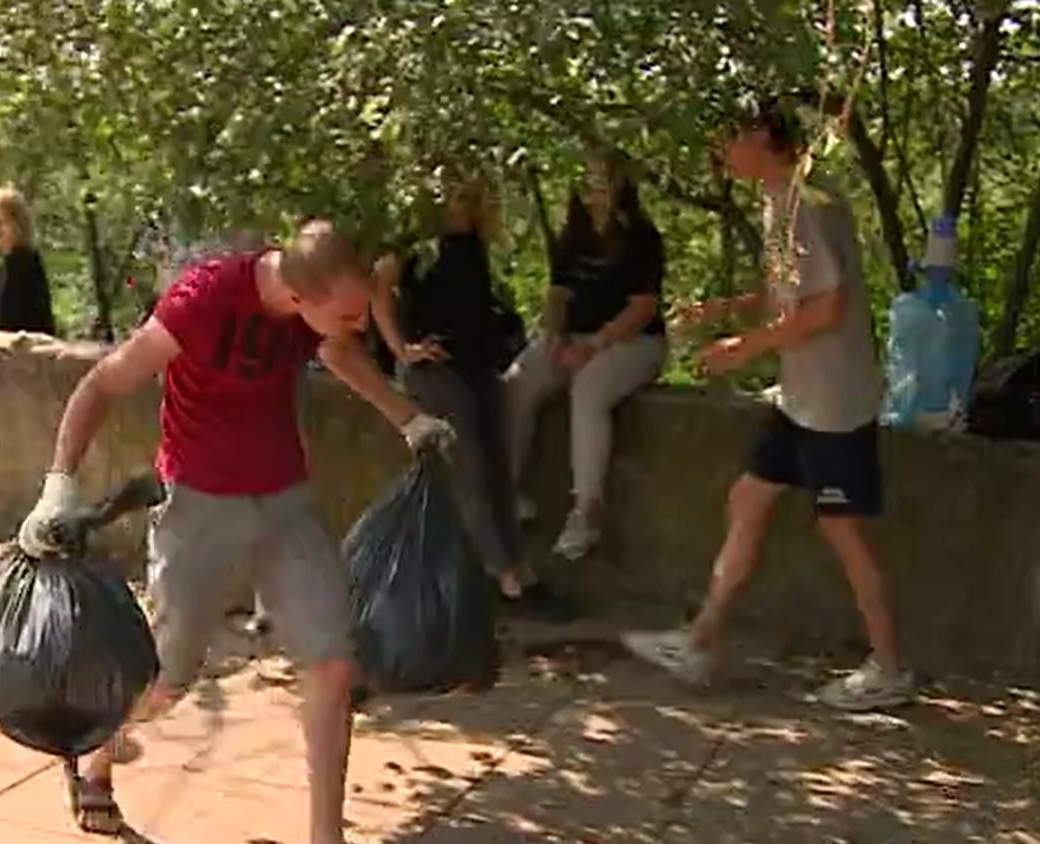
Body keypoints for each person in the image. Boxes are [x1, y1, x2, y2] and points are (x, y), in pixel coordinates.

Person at [15, 220, 453, 844]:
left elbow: (339, 352)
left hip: (285, 499)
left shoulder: (316, 313)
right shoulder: (204, 300)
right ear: (299, 297)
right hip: (198, 504)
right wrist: (58, 486)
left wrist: (407, 418)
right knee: (164, 681)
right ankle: (94, 751)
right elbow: (103, 382)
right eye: (346, 312)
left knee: (332, 662)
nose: (359, 322)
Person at [622, 95, 914, 711]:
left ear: (761, 137)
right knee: (747, 498)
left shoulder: (808, 204)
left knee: (842, 529)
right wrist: (726, 311)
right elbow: (788, 293)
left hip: (834, 401)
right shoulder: (780, 200)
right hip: (800, 398)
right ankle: (700, 642)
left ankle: (889, 667)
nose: (720, 153)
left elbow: (826, 307)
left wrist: (743, 346)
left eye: (729, 138)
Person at [372, 170, 569, 617]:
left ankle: (519, 572)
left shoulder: (475, 238)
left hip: (480, 365)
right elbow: (379, 295)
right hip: (437, 370)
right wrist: (403, 349)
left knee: (500, 469)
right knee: (470, 470)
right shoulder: (415, 240)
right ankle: (506, 579)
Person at [504, 148, 669, 561]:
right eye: (587, 180)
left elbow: (643, 306)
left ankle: (586, 510)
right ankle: (507, 492)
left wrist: (595, 345)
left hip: (633, 343)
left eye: (602, 180)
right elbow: (559, 294)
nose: (593, 189)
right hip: (575, 337)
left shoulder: (641, 237)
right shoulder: (571, 237)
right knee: (521, 377)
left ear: (619, 186)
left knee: (590, 387)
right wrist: (556, 335)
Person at [0, 184, 56, 335]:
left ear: (19, 224)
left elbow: (8, 319)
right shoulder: (3, 262)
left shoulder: (23, 262)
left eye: (2, 222)